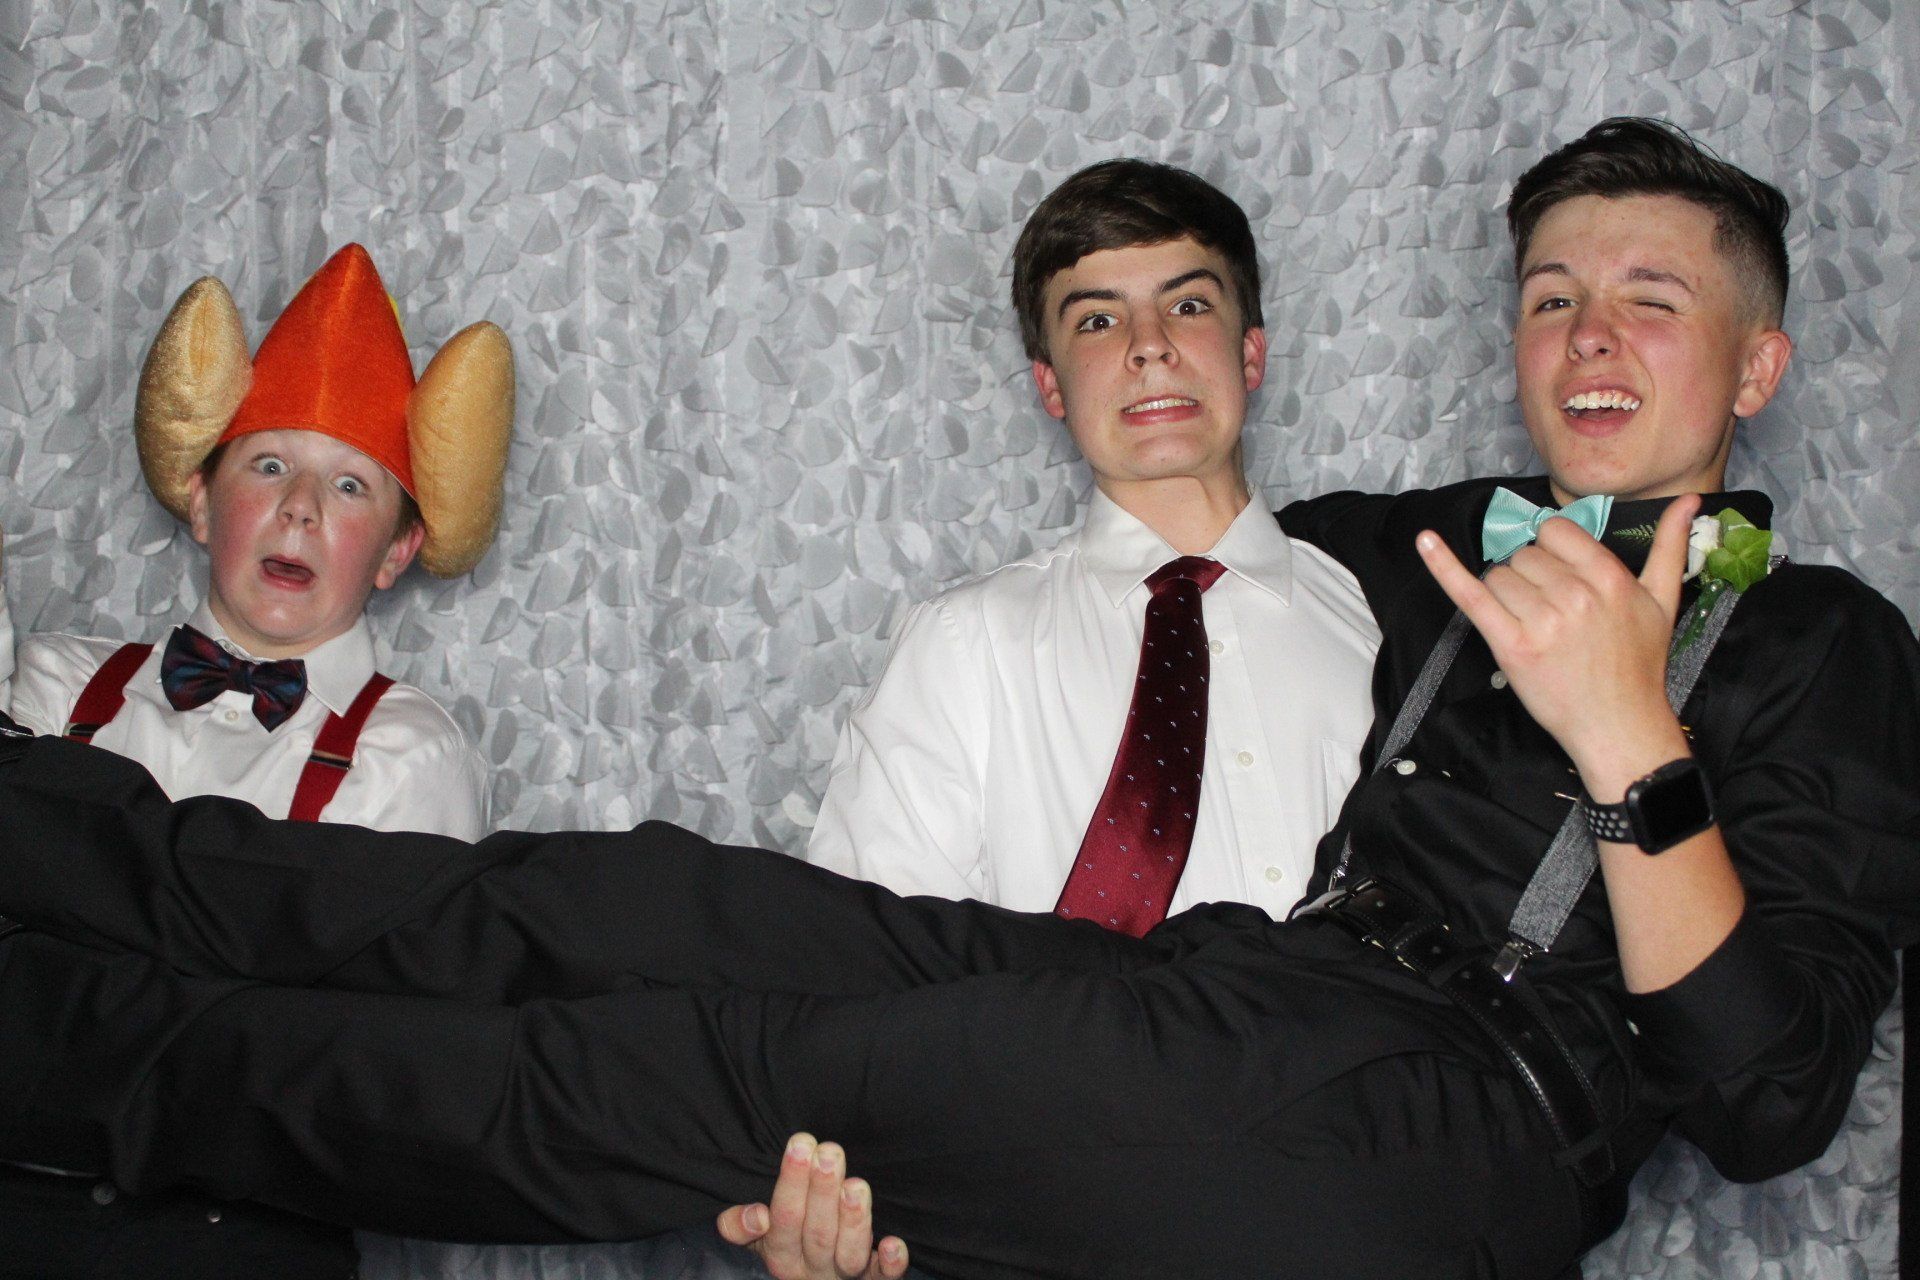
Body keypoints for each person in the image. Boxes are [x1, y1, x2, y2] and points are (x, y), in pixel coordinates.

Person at [0, 117, 1915, 1280]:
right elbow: (1193, 500)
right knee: (622, 901)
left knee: (681, 1078)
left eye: (1651, 297)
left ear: (1757, 369)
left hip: (1442, 1140)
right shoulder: (1407, 550)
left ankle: (53, 1052)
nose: (1587, 334)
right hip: (1235, 994)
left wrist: (1630, 741)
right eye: (1552, 293)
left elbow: (1768, 1098)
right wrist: (1151, 376)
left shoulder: (1828, 644)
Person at [0, 243, 511, 1278]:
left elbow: (368, 1064)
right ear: (199, 499)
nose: (301, 507)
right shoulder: (53, 683)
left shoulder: (409, 753)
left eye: (351, 484)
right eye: (268, 465)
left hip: (244, 1241)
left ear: (397, 550)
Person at [807, 158, 1378, 923]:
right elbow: (871, 956)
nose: (1151, 346)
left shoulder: (1382, 621)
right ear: (1050, 385)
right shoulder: (964, 650)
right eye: (1098, 321)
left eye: (1188, 305)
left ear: (1251, 354)